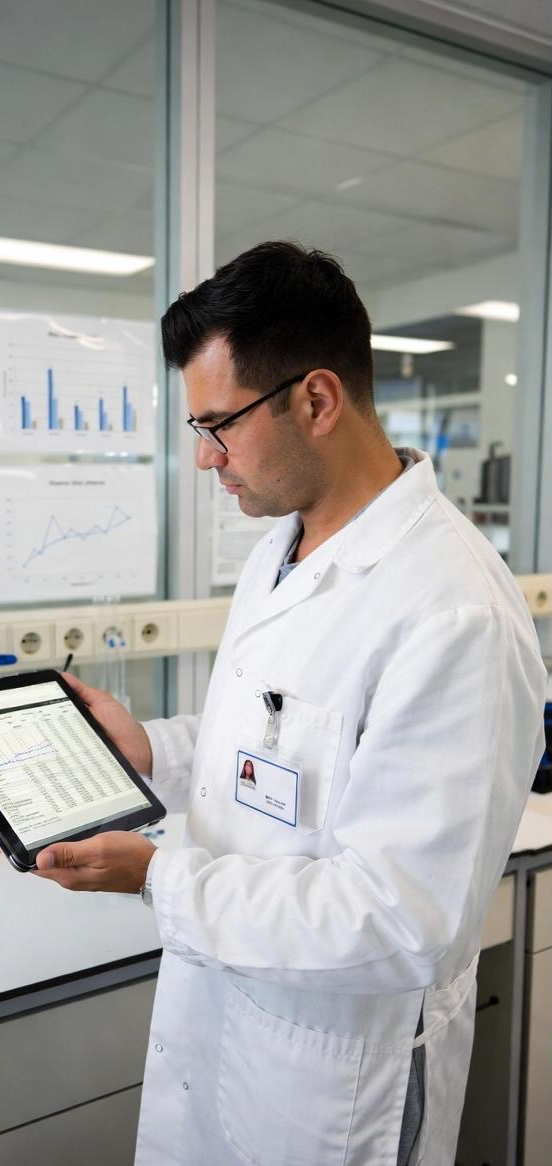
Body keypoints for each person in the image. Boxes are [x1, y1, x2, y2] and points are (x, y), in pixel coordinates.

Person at [34, 241, 546, 1166]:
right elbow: (279, 743)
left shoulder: (452, 611)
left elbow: (401, 922)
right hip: (228, 1032)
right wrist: (149, 748)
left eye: (217, 426)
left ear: (315, 399)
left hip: (337, 1082)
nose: (203, 460)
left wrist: (158, 876)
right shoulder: (286, 545)